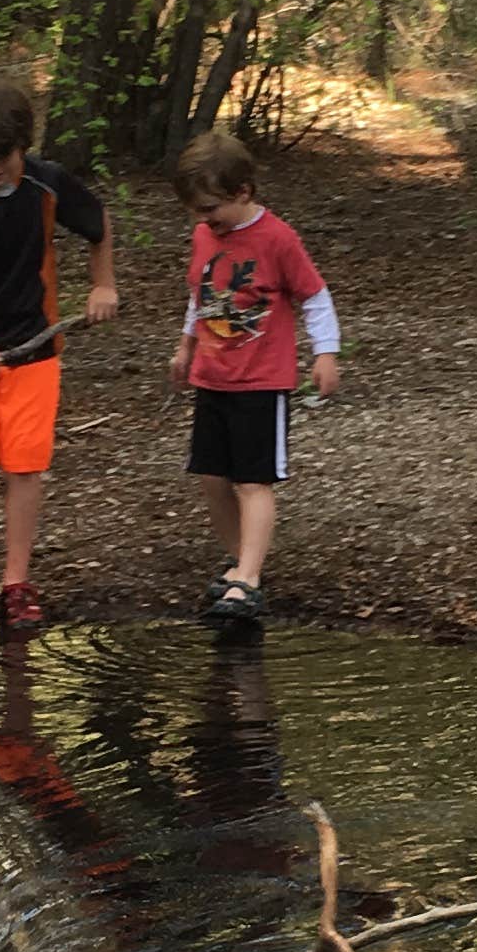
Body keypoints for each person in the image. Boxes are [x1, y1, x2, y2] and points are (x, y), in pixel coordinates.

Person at [0, 74, 118, 629]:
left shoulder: (48, 185)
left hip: (36, 350)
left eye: (2, 155)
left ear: (22, 147)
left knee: (25, 467)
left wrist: (102, 284)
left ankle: (16, 581)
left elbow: (99, 223)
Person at [169, 127, 339, 630]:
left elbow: (315, 296)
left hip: (261, 383)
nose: (203, 221)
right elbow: (200, 299)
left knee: (252, 481)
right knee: (211, 477)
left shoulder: (277, 239)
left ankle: (250, 577)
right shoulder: (205, 236)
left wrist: (325, 353)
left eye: (210, 209)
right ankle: (239, 562)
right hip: (212, 378)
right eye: (197, 212)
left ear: (242, 193)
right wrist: (185, 346)